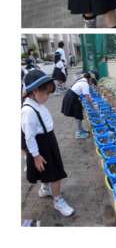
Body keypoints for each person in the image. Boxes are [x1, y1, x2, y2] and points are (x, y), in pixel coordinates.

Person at [21, 69, 74, 217]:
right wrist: (36, 155)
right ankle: (57, 200)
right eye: (46, 93)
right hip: (41, 144)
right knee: (56, 173)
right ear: (34, 91)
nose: (48, 96)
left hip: (48, 140)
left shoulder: (36, 103)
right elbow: (29, 137)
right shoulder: (28, 111)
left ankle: (45, 189)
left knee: (45, 170)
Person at [61, 72, 96, 139]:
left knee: (78, 114)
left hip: (71, 96)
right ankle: (79, 133)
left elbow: (81, 92)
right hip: (72, 97)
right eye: (91, 83)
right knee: (78, 115)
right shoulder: (85, 84)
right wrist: (93, 107)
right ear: (89, 79)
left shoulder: (81, 80)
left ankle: (81, 129)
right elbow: (88, 98)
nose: (90, 84)